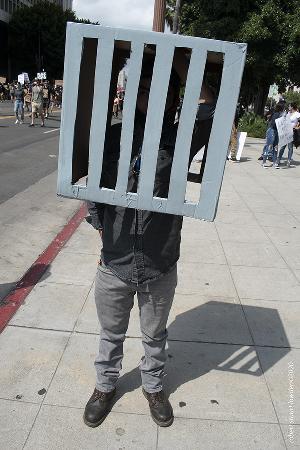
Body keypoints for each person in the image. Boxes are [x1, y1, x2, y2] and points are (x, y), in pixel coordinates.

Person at [83, 55, 215, 429]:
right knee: (110, 333)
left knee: (155, 334)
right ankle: (105, 386)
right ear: (130, 96)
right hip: (116, 260)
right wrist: (100, 228)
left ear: (173, 98)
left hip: (159, 260)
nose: (150, 98)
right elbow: (95, 189)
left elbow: (210, 110)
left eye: (160, 92)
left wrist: (184, 66)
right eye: (143, 90)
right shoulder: (113, 136)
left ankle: (153, 387)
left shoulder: (178, 138)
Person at [276, 103, 300, 167]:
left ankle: (289, 160)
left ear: (292, 107)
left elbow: (299, 123)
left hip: (292, 132)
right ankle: (278, 159)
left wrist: (297, 127)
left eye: (289, 106)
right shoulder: (288, 113)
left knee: (290, 147)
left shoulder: (297, 114)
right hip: (286, 132)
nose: (288, 107)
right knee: (282, 146)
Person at [261, 103, 284, 168]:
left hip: (276, 131)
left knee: (275, 147)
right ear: (281, 108)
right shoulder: (276, 114)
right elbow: (274, 124)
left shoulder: (279, 115)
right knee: (269, 146)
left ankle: (274, 163)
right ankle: (264, 162)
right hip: (272, 131)